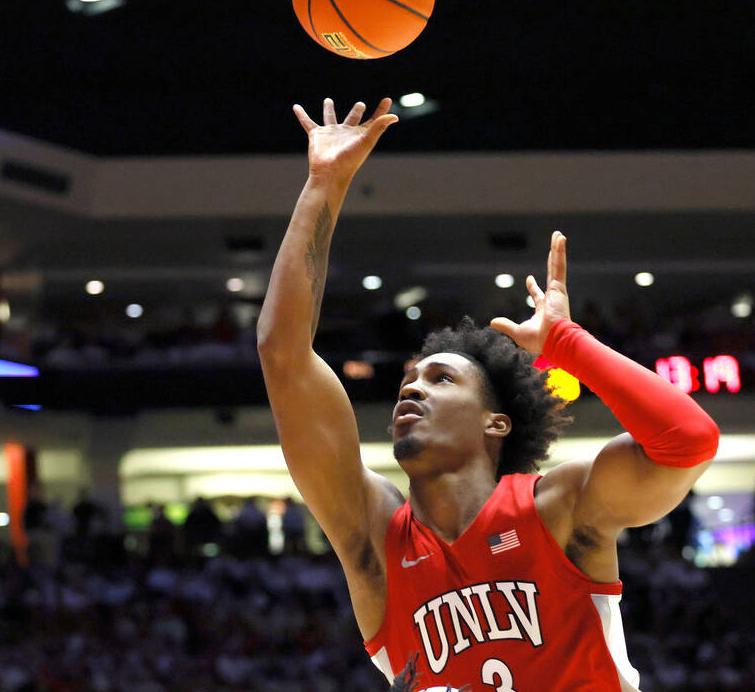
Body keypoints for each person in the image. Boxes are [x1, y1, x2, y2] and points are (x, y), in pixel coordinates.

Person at [257, 98, 720, 691]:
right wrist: (324, 182)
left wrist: (568, 344)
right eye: (408, 380)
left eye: (440, 378)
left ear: (496, 423)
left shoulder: (558, 508)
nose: (412, 389)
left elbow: (689, 442)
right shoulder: (375, 538)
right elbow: (282, 354)